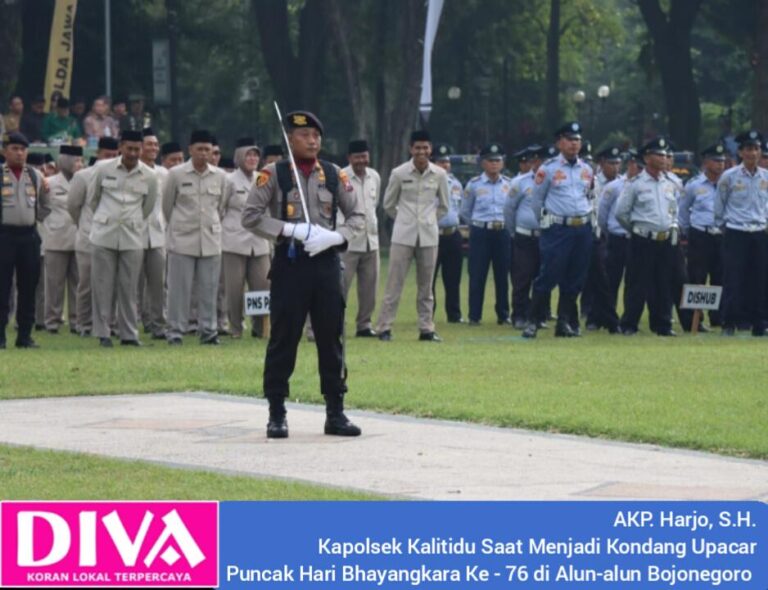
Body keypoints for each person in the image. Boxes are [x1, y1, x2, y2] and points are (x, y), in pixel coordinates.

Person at [242, 110, 364, 438]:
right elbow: (250, 216)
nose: (312, 141)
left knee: (331, 338)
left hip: (325, 264)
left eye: (316, 136)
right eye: (304, 136)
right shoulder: (274, 174)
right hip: (290, 265)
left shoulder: (335, 174)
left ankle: (335, 411)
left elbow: (358, 215)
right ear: (289, 139)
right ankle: (277, 411)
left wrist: (337, 237)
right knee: (284, 338)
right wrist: (289, 230)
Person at [375, 130, 449, 341]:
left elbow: (444, 206)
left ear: (430, 149)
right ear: (410, 149)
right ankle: (384, 327)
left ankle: (426, 328)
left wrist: (429, 219)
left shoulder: (439, 174)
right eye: (417, 148)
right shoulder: (399, 173)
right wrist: (403, 219)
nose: (421, 152)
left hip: (428, 235)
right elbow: (388, 204)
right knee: (394, 284)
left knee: (426, 286)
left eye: (425, 148)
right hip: (403, 235)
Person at [88, 130, 159, 347]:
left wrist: (131, 221)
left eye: (137, 149)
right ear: (121, 147)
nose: (133, 153)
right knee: (102, 286)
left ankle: (129, 334)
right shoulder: (103, 168)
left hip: (132, 235)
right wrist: (106, 218)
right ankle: (103, 333)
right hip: (104, 234)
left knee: (129, 288)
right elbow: (93, 199)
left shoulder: (149, 175)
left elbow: (147, 206)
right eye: (129, 148)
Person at [523, 122, 594, 338]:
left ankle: (563, 322)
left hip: (581, 228)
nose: (574, 144)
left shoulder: (587, 169)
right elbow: (537, 201)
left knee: (575, 277)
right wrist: (547, 224)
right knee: (549, 274)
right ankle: (533, 320)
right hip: (557, 229)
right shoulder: (549, 169)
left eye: (577, 140)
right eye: (570, 139)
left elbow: (590, 196)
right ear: (559, 143)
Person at [162, 129, 227, 345]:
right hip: (182, 240)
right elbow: (167, 207)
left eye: (207, 150)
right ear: (190, 149)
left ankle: (208, 331)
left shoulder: (220, 176)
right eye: (199, 149)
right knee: (178, 291)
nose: (203, 153)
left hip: (210, 240)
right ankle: (175, 332)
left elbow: (222, 207)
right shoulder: (176, 174)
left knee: (209, 290)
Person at [615, 137, 679, 336]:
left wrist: (671, 227)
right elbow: (621, 213)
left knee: (663, 283)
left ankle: (662, 324)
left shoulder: (669, 183)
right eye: (658, 154)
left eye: (664, 154)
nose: (663, 158)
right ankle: (629, 324)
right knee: (637, 283)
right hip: (642, 239)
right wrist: (637, 229)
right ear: (647, 158)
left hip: (665, 239)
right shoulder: (635, 184)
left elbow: (673, 210)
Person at [0, 132, 51, 349]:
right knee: (2, 287)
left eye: (23, 149)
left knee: (28, 287)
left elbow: (46, 204)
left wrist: (35, 218)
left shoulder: (35, 175)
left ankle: (24, 335)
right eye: (14, 149)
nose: (19, 153)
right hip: (4, 236)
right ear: (4, 151)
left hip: (29, 236)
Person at [715, 130, 768, 336]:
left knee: (760, 279)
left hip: (759, 232)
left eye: (756, 149)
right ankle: (729, 322)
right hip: (736, 231)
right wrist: (725, 228)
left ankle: (759, 323)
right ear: (740, 152)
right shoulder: (729, 177)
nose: (752, 153)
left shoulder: (766, 177)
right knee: (733, 278)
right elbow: (719, 207)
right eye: (748, 149)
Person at [68, 137, 120, 336]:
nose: (112, 159)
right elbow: (73, 206)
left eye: (115, 155)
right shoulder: (83, 176)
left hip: (113, 236)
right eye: (108, 155)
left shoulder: (121, 174)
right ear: (98, 154)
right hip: (89, 237)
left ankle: (110, 323)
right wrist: (83, 225)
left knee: (111, 284)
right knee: (87, 284)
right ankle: (85, 324)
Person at [220, 137, 270, 338]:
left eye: (255, 155)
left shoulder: (263, 178)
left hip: (259, 242)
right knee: (234, 287)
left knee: (261, 286)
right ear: (239, 157)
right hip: (234, 241)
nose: (252, 159)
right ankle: (235, 328)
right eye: (248, 155)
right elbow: (220, 208)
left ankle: (259, 328)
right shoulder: (229, 180)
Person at [462, 143, 514, 325]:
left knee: (502, 275)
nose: (494, 164)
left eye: (497, 160)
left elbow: (512, 209)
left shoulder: (509, 184)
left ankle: (503, 314)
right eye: (490, 161)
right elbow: (466, 211)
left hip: (502, 232)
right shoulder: (474, 185)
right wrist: (478, 226)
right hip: (480, 233)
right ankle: (474, 316)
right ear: (482, 163)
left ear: (503, 163)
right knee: (477, 274)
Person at [677, 143, 726, 331]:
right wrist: (686, 233)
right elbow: (683, 210)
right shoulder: (694, 185)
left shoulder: (727, 182)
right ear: (705, 162)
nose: (720, 165)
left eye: (722, 161)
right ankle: (696, 319)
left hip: (721, 235)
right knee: (696, 277)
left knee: (721, 276)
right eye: (716, 161)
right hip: (700, 234)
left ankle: (718, 317)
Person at [341, 139, 382, 336]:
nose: (361, 160)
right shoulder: (341, 177)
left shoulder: (374, 176)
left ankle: (364, 325)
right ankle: (334, 324)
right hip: (348, 243)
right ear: (349, 158)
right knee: (340, 288)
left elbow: (375, 205)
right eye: (357, 157)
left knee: (369, 289)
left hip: (371, 241)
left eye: (364, 156)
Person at [598, 149, 642, 329]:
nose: (638, 169)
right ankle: (608, 318)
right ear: (629, 165)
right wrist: (609, 233)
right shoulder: (614, 187)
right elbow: (602, 215)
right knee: (611, 281)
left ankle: (629, 320)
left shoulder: (643, 186)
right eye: (636, 165)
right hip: (616, 238)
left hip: (636, 239)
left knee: (634, 281)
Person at [505, 144, 547, 329]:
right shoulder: (520, 182)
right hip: (524, 237)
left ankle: (538, 316)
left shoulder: (553, 181)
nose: (538, 164)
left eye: (542, 160)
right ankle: (519, 315)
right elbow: (509, 210)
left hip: (545, 236)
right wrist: (514, 232)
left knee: (543, 277)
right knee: (522, 278)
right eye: (535, 160)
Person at [42, 145, 82, 333]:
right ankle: (52, 321)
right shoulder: (49, 183)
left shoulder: (83, 181)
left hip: (79, 238)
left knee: (78, 284)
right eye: (74, 159)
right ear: (63, 161)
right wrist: (49, 223)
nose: (78, 163)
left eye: (80, 160)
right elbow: (39, 207)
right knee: (54, 284)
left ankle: (76, 321)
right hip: (56, 239)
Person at [137, 127, 168, 339]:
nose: (153, 148)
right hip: (134, 234)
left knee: (158, 284)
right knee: (133, 285)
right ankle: (133, 324)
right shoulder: (131, 171)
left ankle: (158, 325)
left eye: (156, 145)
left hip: (157, 234)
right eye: (149, 144)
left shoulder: (164, 174)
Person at [429, 143, 464, 324]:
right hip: (434, 234)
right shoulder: (429, 182)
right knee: (429, 279)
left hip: (453, 234)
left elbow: (461, 209)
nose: (445, 165)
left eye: (447, 162)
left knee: (453, 278)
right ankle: (428, 314)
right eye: (441, 162)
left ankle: (454, 314)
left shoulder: (456, 184)